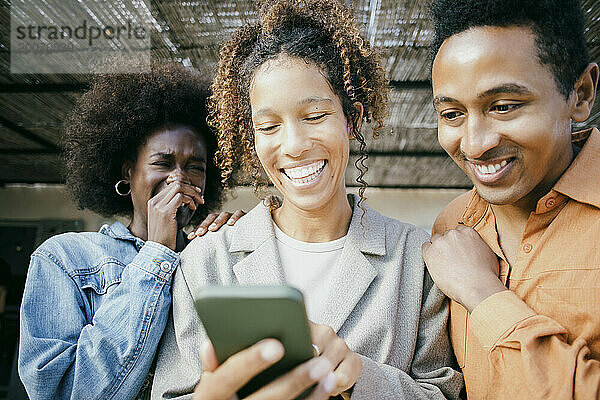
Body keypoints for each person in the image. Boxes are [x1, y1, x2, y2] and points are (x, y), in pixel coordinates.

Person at [151, 1, 463, 399]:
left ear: (351, 120)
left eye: (315, 116)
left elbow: (445, 393)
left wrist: (361, 376)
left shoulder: (415, 261)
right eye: (269, 126)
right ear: (252, 138)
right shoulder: (204, 261)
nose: (294, 146)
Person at [18, 63, 244, 400]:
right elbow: (62, 392)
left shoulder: (211, 249)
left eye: (195, 167)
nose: (178, 179)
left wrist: (240, 245)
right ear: (127, 174)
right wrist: (157, 253)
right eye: (162, 163)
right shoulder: (63, 258)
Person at [421, 0, 600, 398]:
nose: (474, 143)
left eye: (503, 107)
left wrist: (483, 294)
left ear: (581, 94)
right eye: (451, 114)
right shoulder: (452, 226)